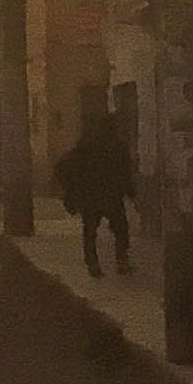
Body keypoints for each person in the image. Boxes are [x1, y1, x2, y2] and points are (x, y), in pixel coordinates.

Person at [53, 108, 135, 277]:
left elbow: (62, 167)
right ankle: (121, 260)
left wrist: (72, 189)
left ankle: (93, 263)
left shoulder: (86, 145)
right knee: (120, 229)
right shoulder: (118, 146)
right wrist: (131, 191)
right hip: (111, 195)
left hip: (91, 196)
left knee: (90, 231)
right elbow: (125, 171)